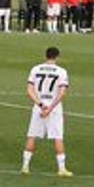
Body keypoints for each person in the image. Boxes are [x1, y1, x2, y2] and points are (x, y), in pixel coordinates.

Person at [22, 46, 72, 177]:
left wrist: (40, 104)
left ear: (45, 56)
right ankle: (61, 169)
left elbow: (29, 90)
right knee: (58, 137)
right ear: (57, 57)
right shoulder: (61, 71)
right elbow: (62, 92)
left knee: (32, 135)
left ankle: (25, 166)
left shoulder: (35, 69)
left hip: (38, 107)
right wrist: (50, 108)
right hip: (54, 109)